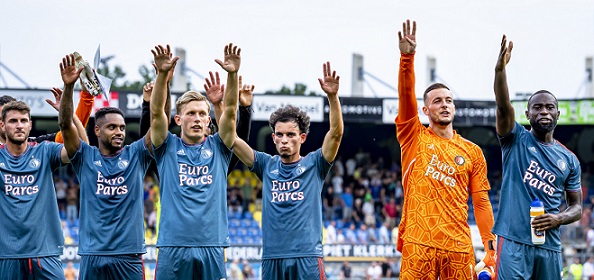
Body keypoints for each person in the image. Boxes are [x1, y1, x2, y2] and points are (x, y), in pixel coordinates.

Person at [395, 19, 496, 279]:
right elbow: (406, 97)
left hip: (459, 247)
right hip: (419, 243)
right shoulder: (413, 136)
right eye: (437, 101)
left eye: (449, 100)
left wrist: (490, 245)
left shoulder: (472, 151)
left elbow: (481, 202)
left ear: (454, 107)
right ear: (426, 110)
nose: (444, 105)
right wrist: (407, 58)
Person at [229, 61, 343, 279]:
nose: (284, 140)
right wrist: (242, 109)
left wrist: (332, 97)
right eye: (279, 135)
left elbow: (336, 134)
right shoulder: (265, 165)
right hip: (272, 258)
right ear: (273, 138)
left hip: (307, 257)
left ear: (302, 138)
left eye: (290, 135)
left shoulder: (315, 163)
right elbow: (230, 139)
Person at [493, 35, 583, 279]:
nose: (544, 111)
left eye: (549, 107)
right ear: (527, 113)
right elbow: (503, 107)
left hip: (549, 246)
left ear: (558, 113)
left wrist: (558, 218)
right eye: (538, 107)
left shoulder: (569, 159)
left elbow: (576, 207)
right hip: (513, 242)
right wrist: (500, 70)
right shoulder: (515, 139)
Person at [58, 53, 153, 279]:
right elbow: (65, 123)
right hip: (93, 254)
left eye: (121, 127)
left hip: (129, 255)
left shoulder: (137, 154)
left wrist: (161, 84)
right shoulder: (85, 157)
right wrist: (69, 87)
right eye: (112, 127)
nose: (119, 132)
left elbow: (158, 123)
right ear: (97, 131)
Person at [150, 43, 240, 279]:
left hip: (212, 246)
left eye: (202, 113)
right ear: (179, 119)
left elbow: (230, 111)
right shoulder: (166, 146)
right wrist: (162, 77)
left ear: (209, 119)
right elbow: (157, 112)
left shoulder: (220, 147)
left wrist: (232, 75)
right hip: (172, 247)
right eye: (191, 113)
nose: (198, 118)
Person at [0, 100, 69, 279]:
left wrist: (67, 113)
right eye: (13, 121)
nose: (19, 126)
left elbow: (79, 151)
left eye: (23, 121)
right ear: (2, 125)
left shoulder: (44, 151)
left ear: (30, 125)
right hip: (6, 254)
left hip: (45, 252)